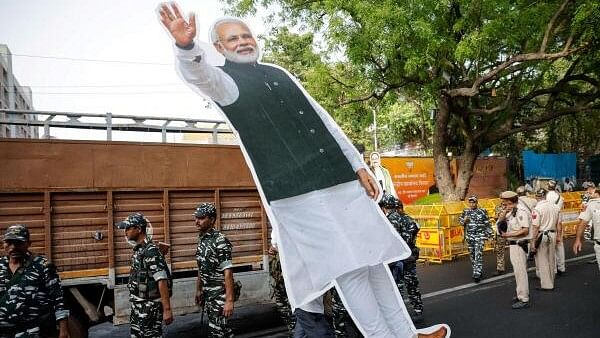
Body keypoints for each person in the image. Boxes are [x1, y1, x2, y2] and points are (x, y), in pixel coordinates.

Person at [158, 4, 449, 338]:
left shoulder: (279, 73)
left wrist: (358, 165)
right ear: (220, 48)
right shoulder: (227, 83)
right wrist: (186, 47)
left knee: (372, 260)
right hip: (296, 194)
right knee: (349, 266)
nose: (242, 42)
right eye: (232, 39)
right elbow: (200, 75)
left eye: (246, 35)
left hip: (337, 179)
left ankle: (407, 334)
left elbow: (324, 122)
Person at [0, 224, 69, 338]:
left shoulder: (43, 266)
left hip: (31, 332)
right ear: (3, 244)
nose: (13, 247)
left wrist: (63, 330)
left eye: (18, 243)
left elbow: (58, 299)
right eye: (9, 242)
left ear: (28, 244)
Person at [117, 213, 173, 338]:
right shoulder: (140, 250)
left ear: (139, 229)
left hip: (149, 308)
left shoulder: (150, 250)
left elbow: (162, 280)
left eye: (128, 228)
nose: (125, 232)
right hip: (138, 307)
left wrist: (167, 310)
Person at [193, 203, 235, 338]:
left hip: (219, 295)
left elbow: (228, 272)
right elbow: (201, 267)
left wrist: (229, 301)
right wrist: (199, 289)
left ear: (211, 220)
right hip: (208, 294)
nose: (197, 221)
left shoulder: (220, 241)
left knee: (218, 332)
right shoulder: (202, 239)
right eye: (196, 218)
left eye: (201, 218)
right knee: (220, 330)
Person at [379, 194, 423, 321]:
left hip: (398, 259)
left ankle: (401, 316)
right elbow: (416, 228)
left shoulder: (389, 219)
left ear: (385, 206)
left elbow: (390, 241)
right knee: (411, 284)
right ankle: (418, 309)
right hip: (409, 257)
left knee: (397, 288)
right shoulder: (407, 218)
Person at [496, 191, 532, 309]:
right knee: (518, 272)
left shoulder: (520, 211)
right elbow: (500, 221)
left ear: (510, 201)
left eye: (505, 203)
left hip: (519, 244)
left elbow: (525, 230)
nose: (503, 204)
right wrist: (505, 211)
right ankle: (520, 293)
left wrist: (508, 235)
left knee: (521, 272)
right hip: (514, 244)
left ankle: (524, 298)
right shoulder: (512, 211)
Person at [530, 189, 561, 291]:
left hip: (541, 234)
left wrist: (533, 242)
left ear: (537, 197)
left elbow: (535, 227)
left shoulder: (537, 209)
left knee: (542, 260)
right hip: (553, 233)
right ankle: (551, 280)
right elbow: (558, 224)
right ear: (546, 196)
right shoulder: (555, 207)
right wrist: (558, 236)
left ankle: (547, 285)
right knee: (552, 259)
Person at [458, 195, 492, 283]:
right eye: (470, 202)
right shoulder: (465, 212)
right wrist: (464, 221)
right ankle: (476, 270)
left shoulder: (482, 211)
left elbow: (487, 223)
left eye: (474, 202)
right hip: (470, 237)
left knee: (478, 255)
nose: (472, 204)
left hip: (479, 237)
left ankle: (477, 273)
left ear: (477, 202)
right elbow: (460, 221)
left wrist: (490, 235)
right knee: (472, 255)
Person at [573, 188, 600, 271]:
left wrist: (578, 240)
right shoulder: (591, 204)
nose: (590, 193)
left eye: (592, 191)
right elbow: (583, 223)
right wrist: (577, 239)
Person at [546, 180, 566, 276]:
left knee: (551, 248)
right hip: (559, 221)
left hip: (549, 223)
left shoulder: (546, 197)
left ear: (548, 186)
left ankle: (553, 269)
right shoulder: (560, 197)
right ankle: (561, 267)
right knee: (560, 245)